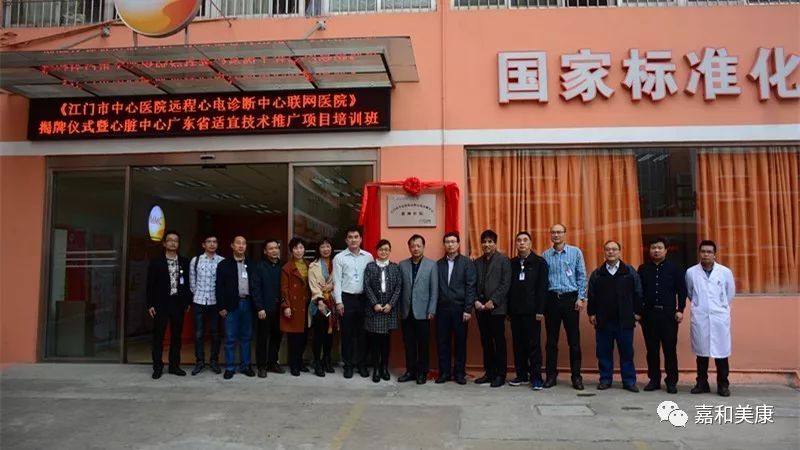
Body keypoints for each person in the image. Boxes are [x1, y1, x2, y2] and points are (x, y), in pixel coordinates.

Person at [587, 240, 643, 393]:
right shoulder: (597, 273)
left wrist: (638, 312)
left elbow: (638, 292)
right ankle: (605, 379)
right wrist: (591, 313)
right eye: (608, 249)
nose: (611, 252)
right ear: (604, 252)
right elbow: (591, 295)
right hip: (603, 320)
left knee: (627, 352)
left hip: (624, 320)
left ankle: (629, 381)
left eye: (614, 249)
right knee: (603, 352)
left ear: (619, 252)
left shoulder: (629, 272)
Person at [686, 240, 736, 397]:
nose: (706, 254)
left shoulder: (725, 272)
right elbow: (690, 293)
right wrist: (701, 307)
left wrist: (719, 308)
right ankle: (702, 383)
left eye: (709, 252)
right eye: (703, 251)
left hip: (719, 317)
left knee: (721, 353)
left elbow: (730, 293)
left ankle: (723, 385)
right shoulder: (691, 272)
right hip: (701, 317)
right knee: (701, 353)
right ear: (699, 253)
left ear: (715, 254)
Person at [637, 237, 687, 394]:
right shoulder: (643, 269)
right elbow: (638, 292)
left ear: (666, 250)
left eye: (659, 248)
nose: (656, 250)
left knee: (669, 349)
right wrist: (638, 312)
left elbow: (682, 291)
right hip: (649, 314)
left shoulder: (675, 269)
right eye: (653, 247)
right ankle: (654, 380)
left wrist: (680, 309)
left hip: (668, 315)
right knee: (651, 350)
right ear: (649, 250)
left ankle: (671, 381)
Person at [542, 223, 587, 390]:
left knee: (574, 341)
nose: (556, 235)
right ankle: (551, 376)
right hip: (552, 300)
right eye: (553, 232)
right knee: (551, 341)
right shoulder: (545, 255)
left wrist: (581, 298)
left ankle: (576, 377)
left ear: (565, 234)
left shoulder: (575, 252)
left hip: (570, 299)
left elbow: (582, 276)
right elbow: (543, 280)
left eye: (559, 232)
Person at [507, 231, 549, 390]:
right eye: (519, 240)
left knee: (534, 345)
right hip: (515, 311)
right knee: (518, 344)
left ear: (530, 243)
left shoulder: (539, 262)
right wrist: (509, 311)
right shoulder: (512, 263)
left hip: (533, 312)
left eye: (525, 240)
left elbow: (542, 288)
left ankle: (536, 377)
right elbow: (508, 288)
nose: (522, 243)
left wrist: (540, 310)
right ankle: (521, 374)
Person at [147, 230, 191, 379]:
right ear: (164, 243)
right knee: (158, 336)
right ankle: (157, 367)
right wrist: (150, 304)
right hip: (161, 303)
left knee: (176, 337)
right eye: (170, 240)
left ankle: (174, 366)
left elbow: (187, 284)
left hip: (178, 303)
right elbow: (150, 285)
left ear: (178, 244)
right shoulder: (156, 262)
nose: (173, 243)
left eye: (176, 240)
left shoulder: (184, 262)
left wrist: (187, 301)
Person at [435, 232, 476, 385]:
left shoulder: (467, 263)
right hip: (442, 309)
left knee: (460, 342)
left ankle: (459, 373)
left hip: (460, 309)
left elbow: (471, 286)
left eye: (453, 242)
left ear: (458, 244)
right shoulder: (438, 264)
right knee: (442, 342)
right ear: (444, 245)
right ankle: (444, 373)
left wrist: (468, 309)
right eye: (447, 242)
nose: (450, 244)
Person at [332, 226, 374, 379]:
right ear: (346, 240)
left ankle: (362, 364)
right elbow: (337, 281)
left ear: (361, 239)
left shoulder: (368, 257)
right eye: (350, 237)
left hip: (363, 299)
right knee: (347, 334)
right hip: (347, 299)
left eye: (356, 237)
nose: (353, 240)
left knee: (363, 334)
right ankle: (348, 365)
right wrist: (339, 302)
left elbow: (372, 279)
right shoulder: (339, 258)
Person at [398, 234, 439, 385]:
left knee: (423, 344)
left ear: (423, 247)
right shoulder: (402, 265)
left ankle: (422, 372)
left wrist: (432, 309)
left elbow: (434, 290)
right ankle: (410, 371)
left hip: (423, 312)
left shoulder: (431, 265)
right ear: (409, 248)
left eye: (418, 246)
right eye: (413, 246)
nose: (416, 249)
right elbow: (400, 289)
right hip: (406, 311)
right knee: (408, 344)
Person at [473, 229, 511, 388]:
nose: (486, 245)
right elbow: (472, 283)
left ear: (495, 243)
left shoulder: (504, 261)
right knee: (486, 342)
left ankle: (500, 375)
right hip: (480, 309)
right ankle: (489, 373)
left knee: (499, 342)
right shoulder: (477, 262)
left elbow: (505, 284)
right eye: (484, 242)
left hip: (496, 309)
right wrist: (475, 300)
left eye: (490, 242)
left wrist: (493, 301)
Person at [216, 235, 255, 380]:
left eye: (244, 243)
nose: (241, 246)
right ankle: (230, 367)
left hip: (248, 304)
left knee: (246, 337)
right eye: (238, 243)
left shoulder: (251, 264)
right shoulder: (224, 264)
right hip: (231, 306)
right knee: (230, 338)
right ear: (232, 245)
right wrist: (221, 306)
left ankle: (246, 366)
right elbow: (219, 287)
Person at [363, 239, 402, 383]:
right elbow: (366, 286)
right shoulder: (370, 267)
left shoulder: (395, 267)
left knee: (386, 342)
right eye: (381, 249)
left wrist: (390, 304)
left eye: (386, 249)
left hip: (389, 311)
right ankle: (376, 369)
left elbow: (398, 287)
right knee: (375, 342)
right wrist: (374, 303)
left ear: (390, 251)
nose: (383, 252)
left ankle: (384, 367)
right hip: (375, 310)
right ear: (376, 251)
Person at [188, 233, 225, 376]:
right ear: (203, 245)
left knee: (215, 333)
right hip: (199, 301)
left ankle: (214, 361)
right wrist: (197, 293)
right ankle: (199, 361)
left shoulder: (222, 261)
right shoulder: (196, 260)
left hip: (215, 302)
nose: (212, 244)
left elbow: (223, 283)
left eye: (214, 241)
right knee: (198, 333)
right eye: (209, 241)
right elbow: (192, 281)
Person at [251, 239, 284, 378]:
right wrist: (259, 308)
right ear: (265, 251)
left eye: (276, 248)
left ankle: (272, 363)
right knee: (262, 339)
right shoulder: (259, 267)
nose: (274, 250)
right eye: (270, 248)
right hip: (264, 309)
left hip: (279, 309)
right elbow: (255, 288)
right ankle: (262, 366)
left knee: (277, 337)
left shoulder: (282, 266)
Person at [281, 237, 311, 376]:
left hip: (307, 305)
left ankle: (299, 361)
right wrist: (286, 305)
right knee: (294, 338)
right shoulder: (287, 267)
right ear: (291, 250)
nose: (299, 251)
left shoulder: (309, 264)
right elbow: (284, 289)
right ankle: (294, 364)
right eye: (296, 248)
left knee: (304, 336)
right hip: (294, 306)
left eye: (301, 248)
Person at [308, 238, 337, 377]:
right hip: (319, 303)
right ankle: (317, 362)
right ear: (318, 249)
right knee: (319, 333)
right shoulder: (313, 266)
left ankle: (327, 359)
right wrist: (320, 300)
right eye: (322, 247)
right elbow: (313, 285)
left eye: (328, 246)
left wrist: (332, 286)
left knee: (329, 333)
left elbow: (340, 280)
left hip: (332, 302)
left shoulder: (336, 263)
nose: (326, 249)